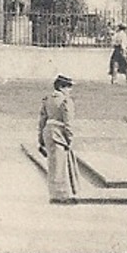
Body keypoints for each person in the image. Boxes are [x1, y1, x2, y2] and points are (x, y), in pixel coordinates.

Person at [38, 75, 81, 204]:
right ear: (61, 87)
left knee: (53, 165)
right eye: (68, 87)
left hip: (48, 131)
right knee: (60, 165)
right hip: (60, 133)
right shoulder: (66, 101)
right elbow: (68, 122)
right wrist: (70, 138)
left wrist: (40, 139)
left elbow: (41, 121)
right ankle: (61, 196)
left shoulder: (47, 99)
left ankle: (55, 193)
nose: (70, 90)